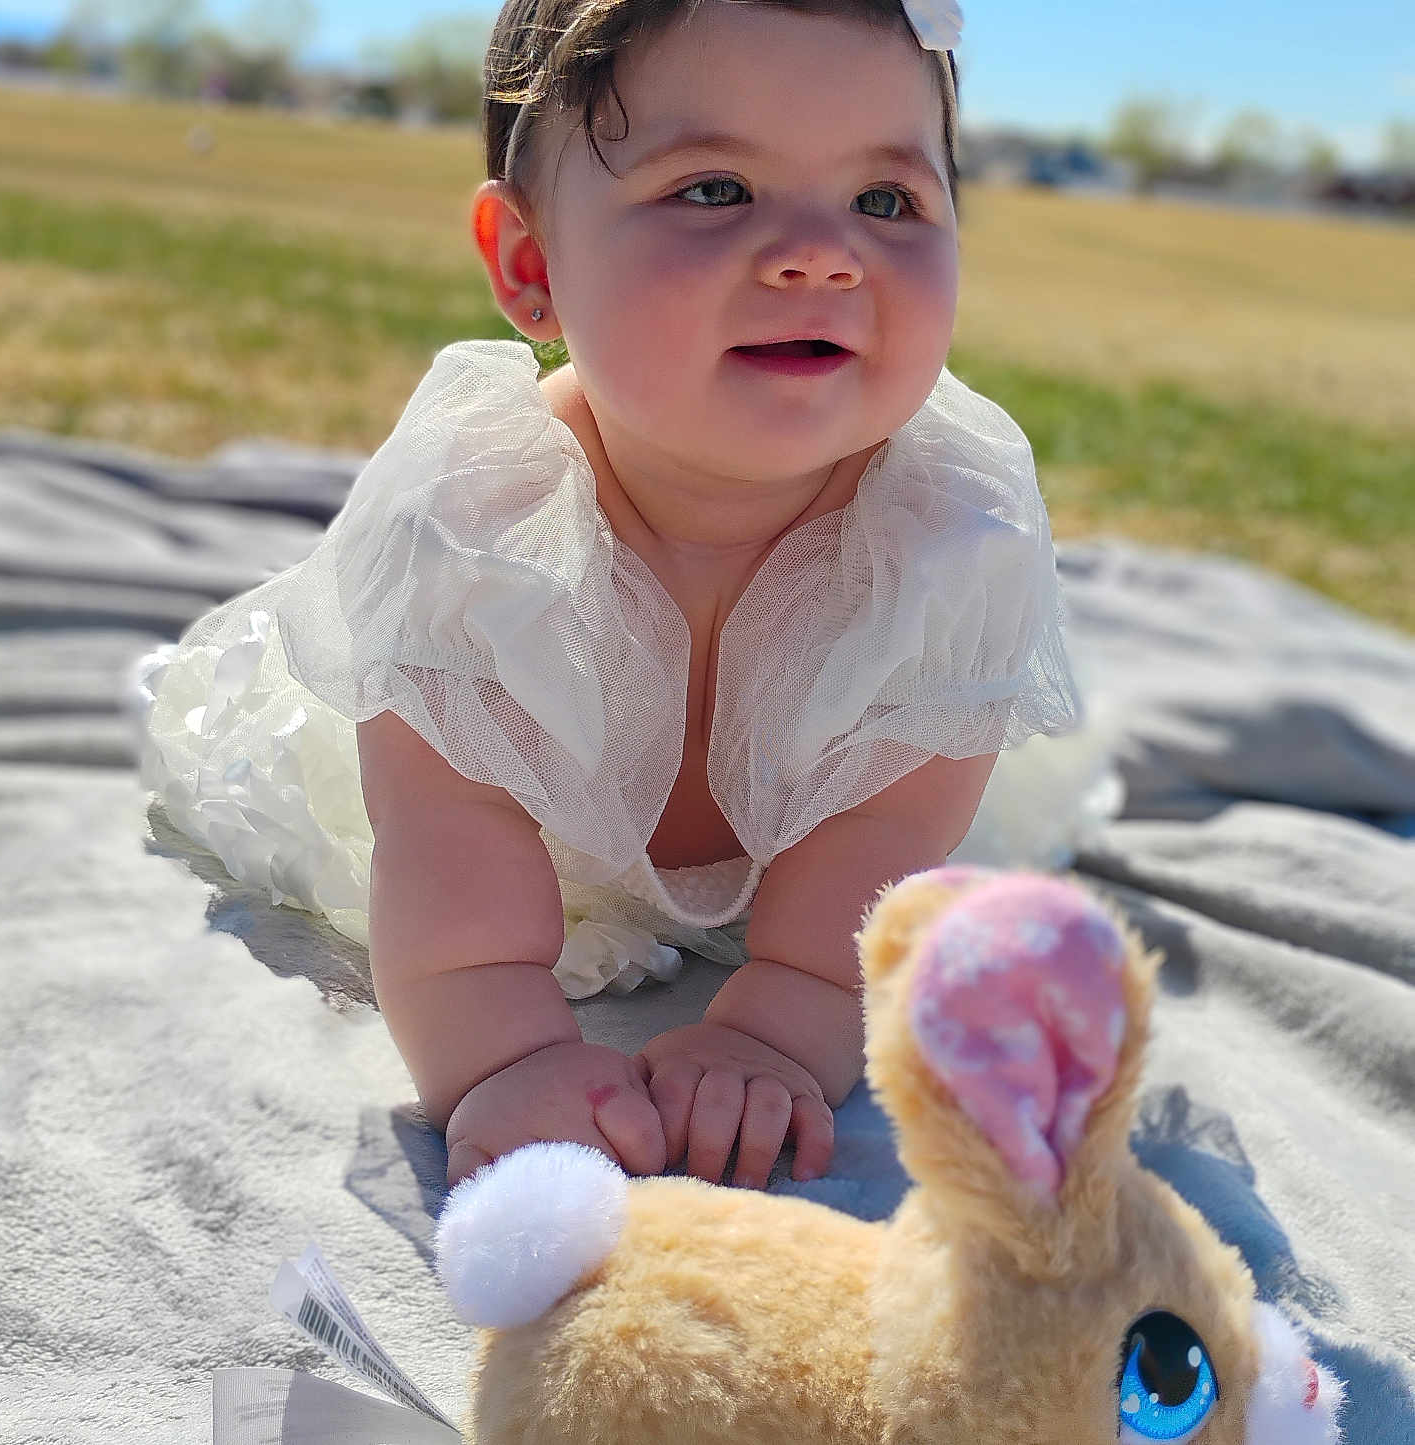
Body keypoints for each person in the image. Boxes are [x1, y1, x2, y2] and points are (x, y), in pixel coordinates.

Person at [137, 0, 1086, 1197]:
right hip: (521, 848)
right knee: (405, 829)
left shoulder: (951, 533)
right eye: (715, 190)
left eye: (885, 202)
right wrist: (502, 1058)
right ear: (532, 266)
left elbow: (886, 835)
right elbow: (450, 827)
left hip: (819, 857)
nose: (821, 253)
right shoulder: (474, 519)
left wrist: (778, 1023)